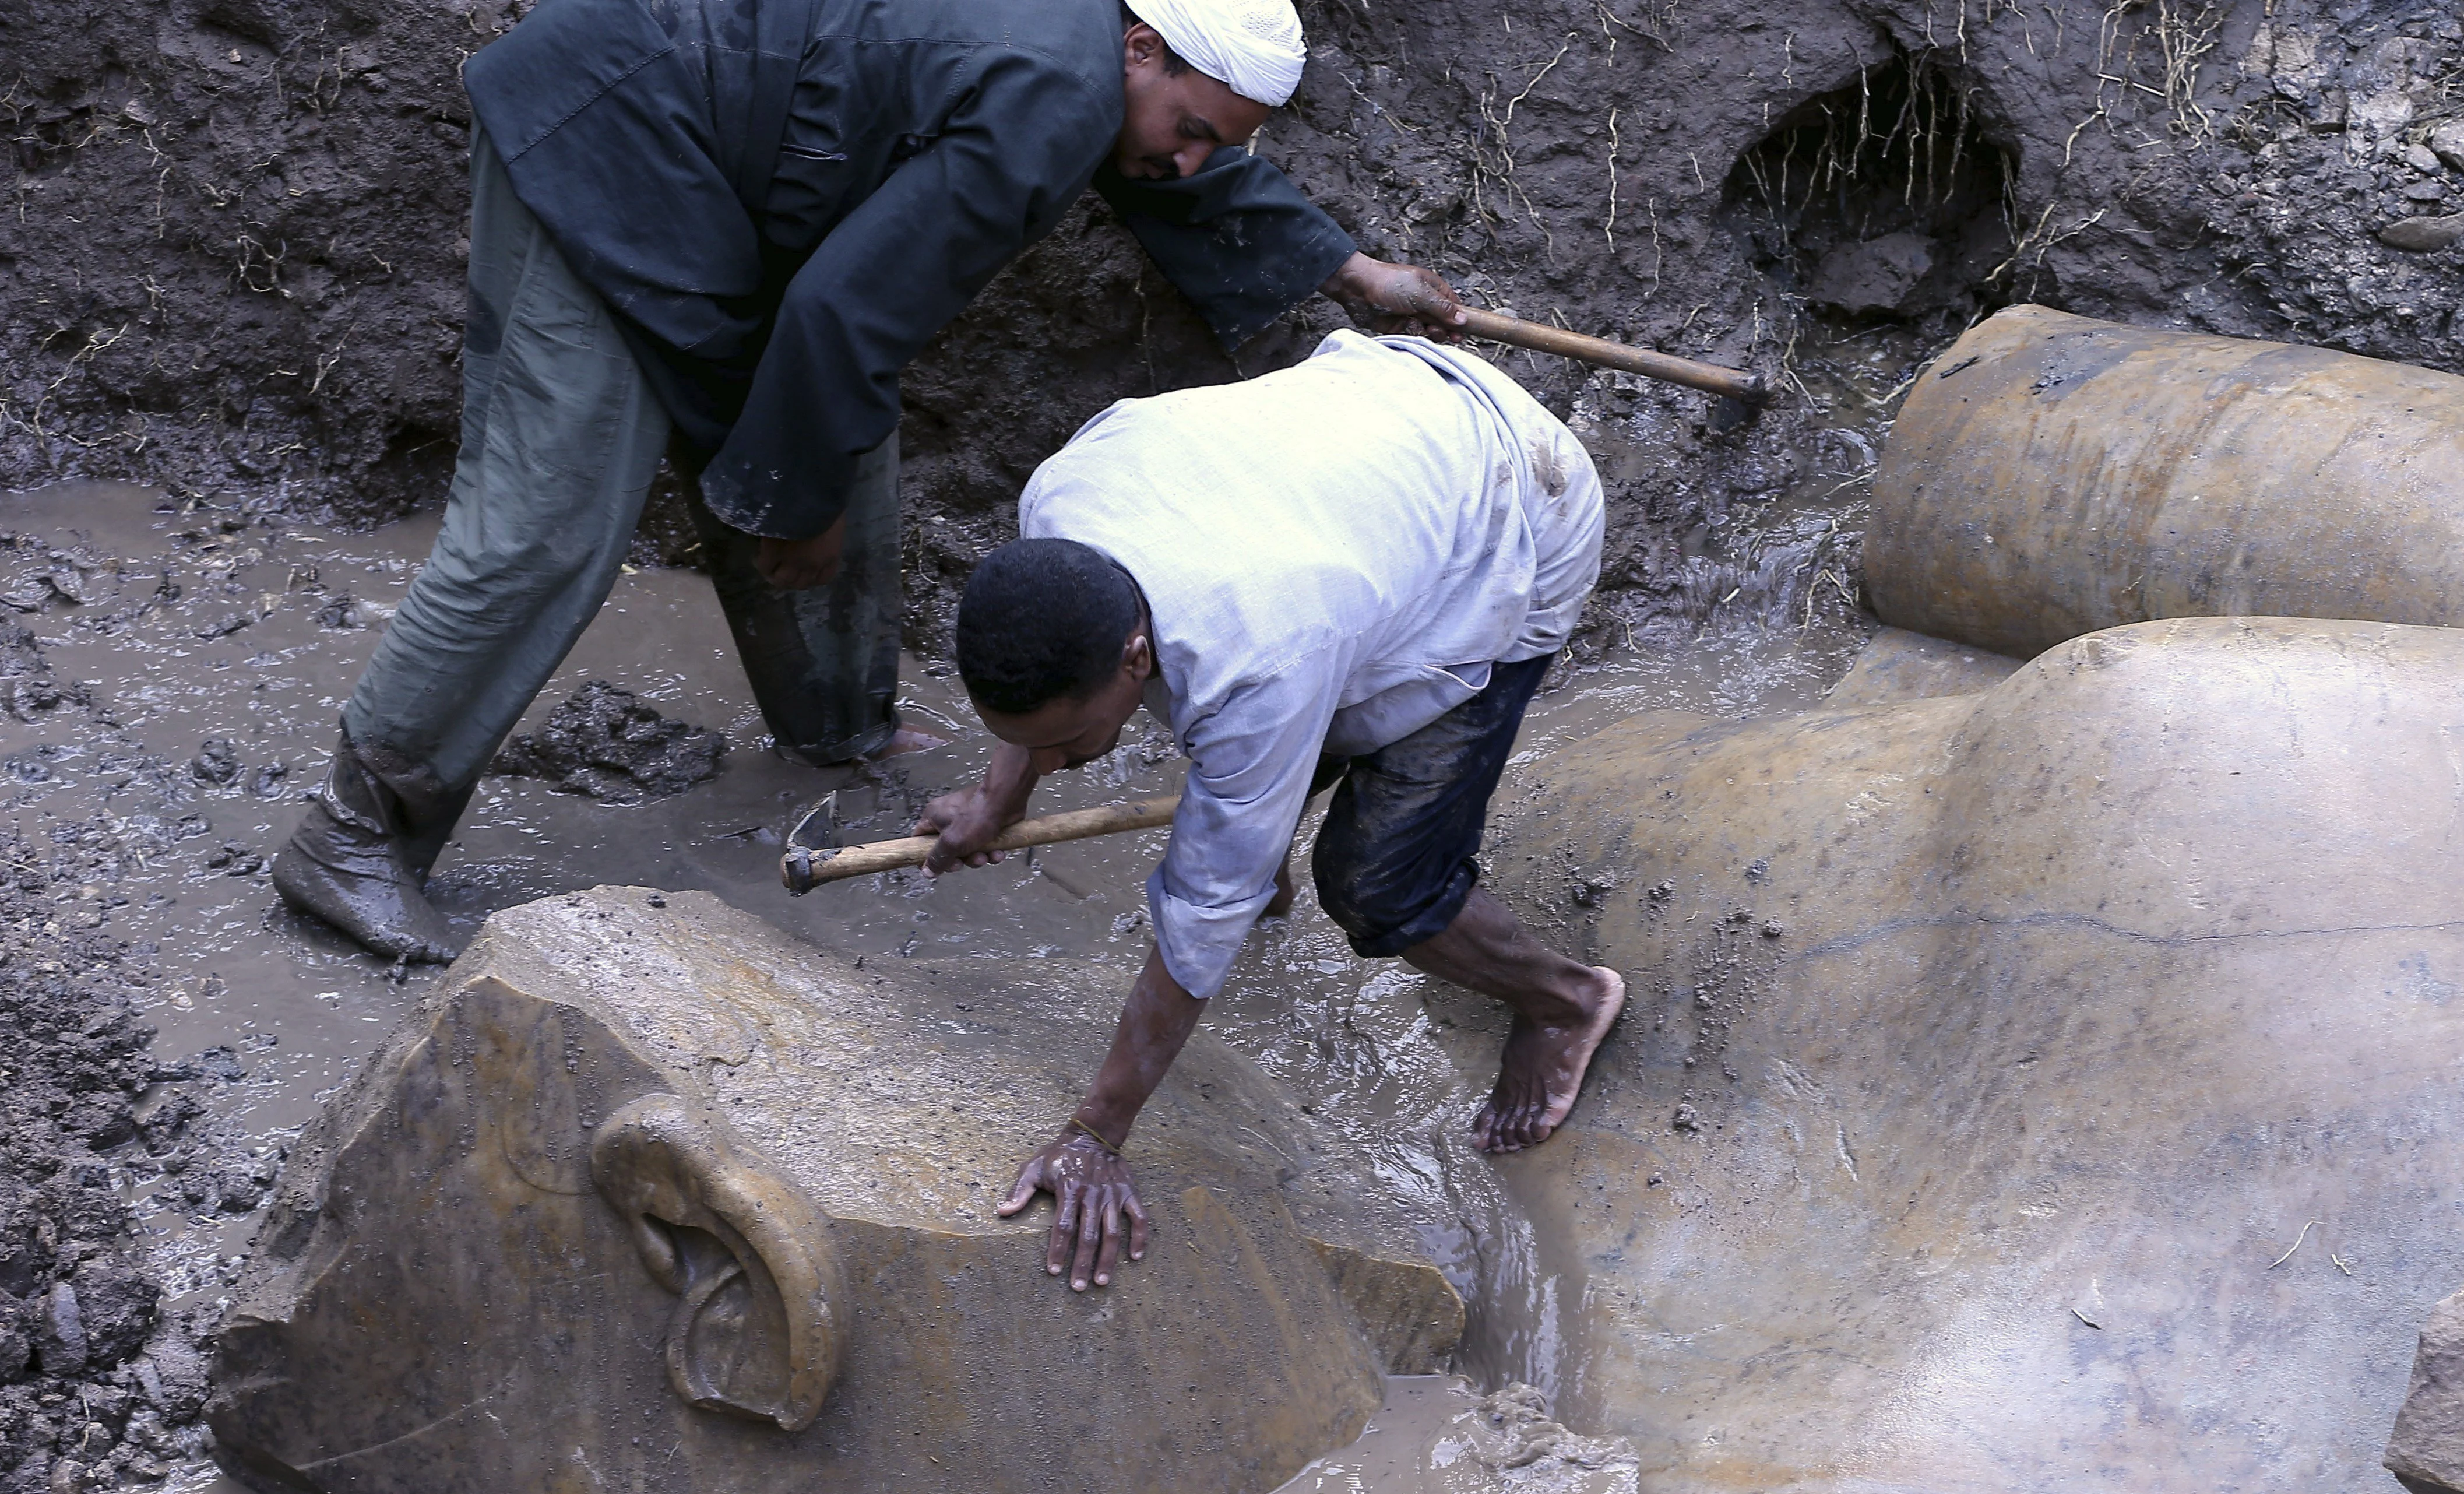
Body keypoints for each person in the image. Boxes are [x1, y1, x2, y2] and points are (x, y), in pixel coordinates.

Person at [273, 0, 1466, 964]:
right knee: (551, 524)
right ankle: (352, 840)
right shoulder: (1058, 94)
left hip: (714, 169)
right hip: (607, 136)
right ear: (1139, 47)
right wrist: (801, 504)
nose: (1191, 158)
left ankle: (838, 729)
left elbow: (1171, 166)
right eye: (1194, 124)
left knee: (834, 431)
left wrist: (1350, 270)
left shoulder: (1088, 60)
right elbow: (845, 310)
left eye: (1221, 142)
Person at [920, 329, 1627, 1292]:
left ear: (1135, 657)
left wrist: (1097, 1131)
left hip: (1515, 504)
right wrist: (1000, 794)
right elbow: (1050, 665)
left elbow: (1200, 913)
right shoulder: (1058, 511)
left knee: (1377, 884)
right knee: (1254, 771)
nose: (1055, 763)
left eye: (1068, 744)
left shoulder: (1261, 653)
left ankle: (1564, 1000)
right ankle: (1260, 843)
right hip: (1373, 437)